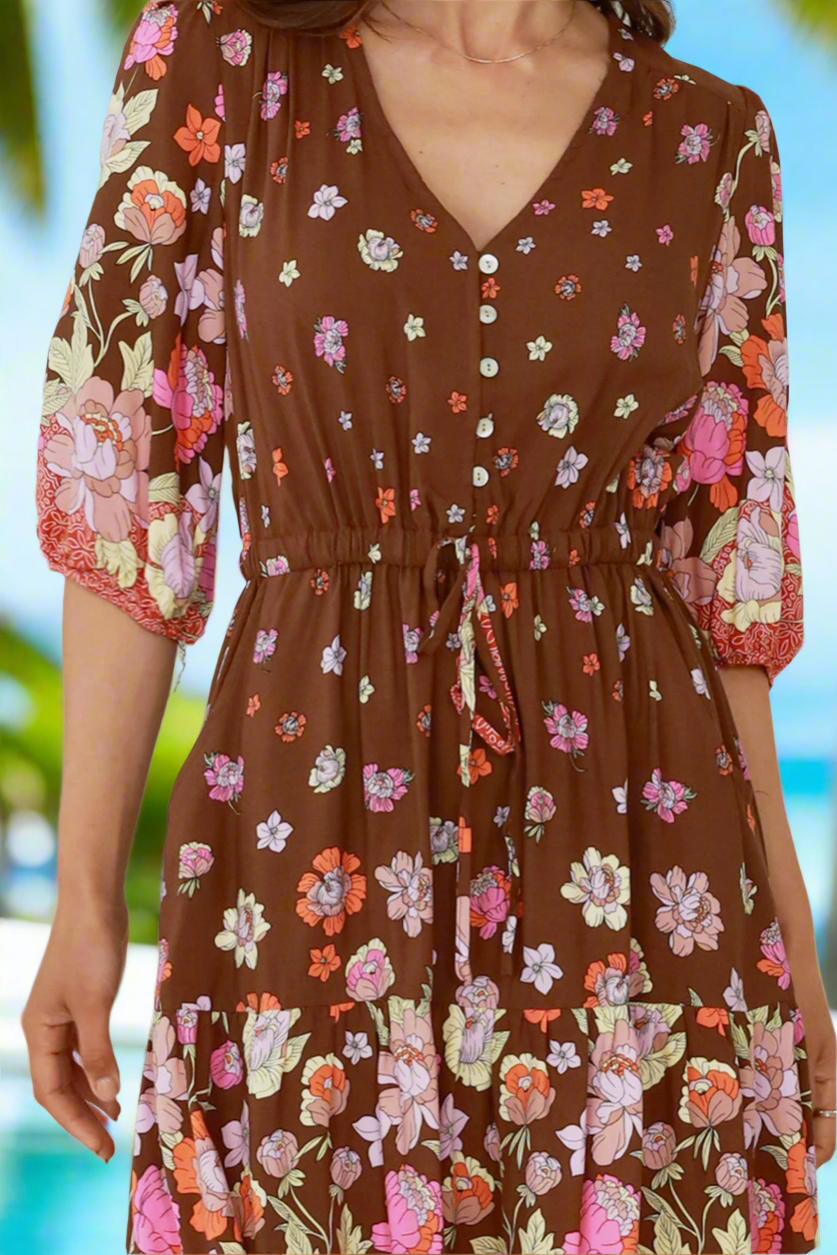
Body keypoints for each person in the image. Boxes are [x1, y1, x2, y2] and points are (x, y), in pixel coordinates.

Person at [24, 0, 835, 1251]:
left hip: (643, 860)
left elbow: (720, 579)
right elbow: (131, 472)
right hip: (306, 836)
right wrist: (85, 896)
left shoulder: (713, 139)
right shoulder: (217, 64)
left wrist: (788, 930)